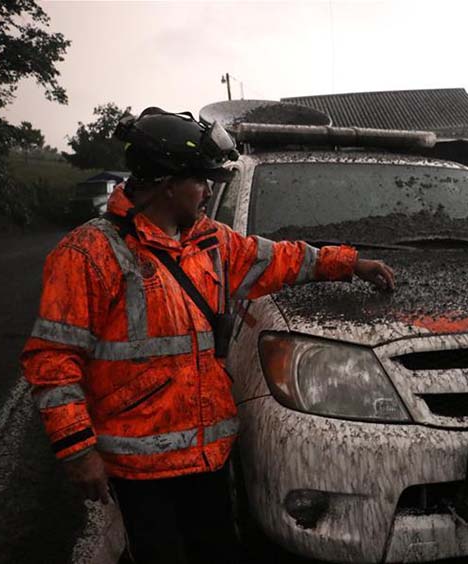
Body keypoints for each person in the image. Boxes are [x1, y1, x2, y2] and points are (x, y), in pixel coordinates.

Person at [20, 107, 395, 563]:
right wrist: (78, 451)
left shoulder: (210, 242)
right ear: (167, 183)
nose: (209, 191)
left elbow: (284, 259)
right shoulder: (87, 253)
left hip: (208, 458)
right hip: (142, 470)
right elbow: (52, 360)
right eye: (201, 181)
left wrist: (351, 263)